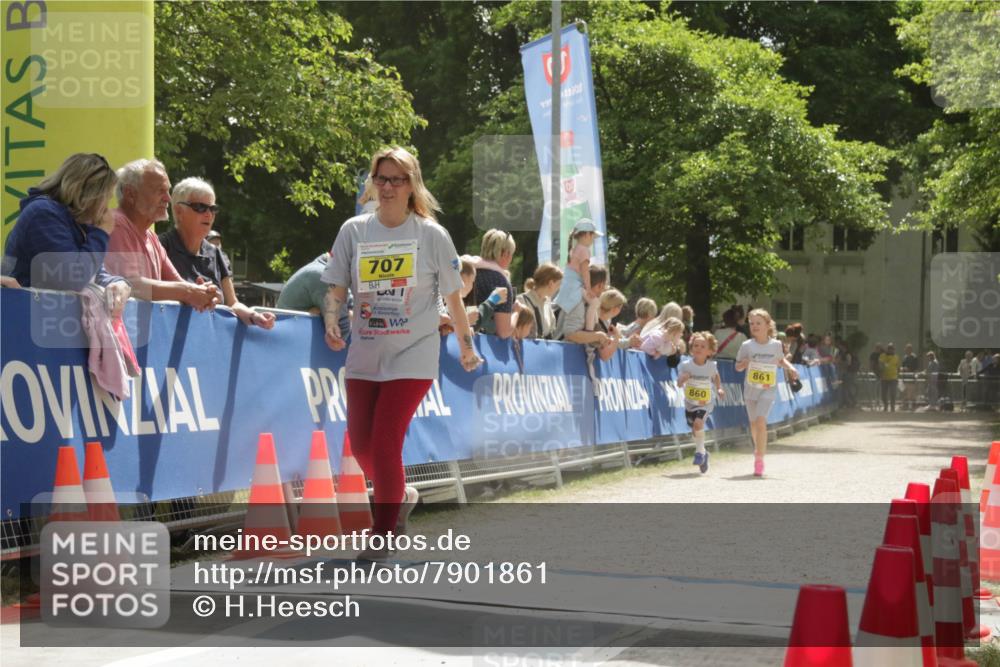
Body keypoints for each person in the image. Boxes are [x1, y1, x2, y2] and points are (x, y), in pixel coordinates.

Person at [321, 146, 480, 562]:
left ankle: (382, 532)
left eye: (397, 179)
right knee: (360, 446)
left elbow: (454, 298)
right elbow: (335, 288)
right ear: (372, 183)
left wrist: (466, 347)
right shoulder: (354, 231)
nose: (388, 187)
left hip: (414, 354)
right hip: (365, 353)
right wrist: (331, 320)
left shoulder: (430, 234)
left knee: (387, 441)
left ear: (413, 185)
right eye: (382, 178)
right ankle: (401, 494)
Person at [1, 153, 130, 309]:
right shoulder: (43, 214)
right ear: (91, 195)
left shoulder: (77, 223)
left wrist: (119, 284)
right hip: (21, 319)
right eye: (106, 198)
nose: (106, 207)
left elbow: (95, 275)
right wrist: (101, 233)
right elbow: (72, 280)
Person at [104, 159, 218, 310]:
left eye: (167, 191)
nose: (168, 199)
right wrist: (190, 292)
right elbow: (130, 284)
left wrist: (203, 293)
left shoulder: (151, 238)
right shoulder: (115, 224)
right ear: (130, 194)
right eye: (159, 191)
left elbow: (178, 283)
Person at [160, 177, 274, 329]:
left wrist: (254, 316)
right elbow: (149, 297)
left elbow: (232, 303)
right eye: (200, 207)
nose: (209, 214)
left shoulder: (216, 253)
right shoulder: (160, 246)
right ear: (178, 210)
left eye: (212, 209)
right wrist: (191, 295)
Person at [734, 308, 799, 477]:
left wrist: (791, 367)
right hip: (751, 390)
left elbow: (780, 360)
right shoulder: (747, 345)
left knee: (761, 421)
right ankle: (758, 449)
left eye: (758, 323)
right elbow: (737, 367)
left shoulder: (776, 345)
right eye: (752, 323)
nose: (754, 326)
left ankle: (759, 459)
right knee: (754, 424)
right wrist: (746, 362)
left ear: (767, 325)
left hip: (768, 389)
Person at [677, 331, 725, 474]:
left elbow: (716, 376)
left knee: (699, 423)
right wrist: (683, 378)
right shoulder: (686, 365)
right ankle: (704, 452)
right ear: (691, 348)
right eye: (696, 345)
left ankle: (699, 454)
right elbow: (679, 383)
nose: (698, 348)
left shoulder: (711, 366)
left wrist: (719, 388)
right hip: (690, 403)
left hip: (706, 402)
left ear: (710, 351)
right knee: (695, 429)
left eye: (703, 346)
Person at [277, 251, 351, 336]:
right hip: (297, 341)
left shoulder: (330, 272)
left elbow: (354, 309)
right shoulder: (324, 276)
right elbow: (341, 332)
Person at [553, 218, 601, 331]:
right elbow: (585, 272)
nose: (593, 240)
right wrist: (589, 289)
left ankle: (592, 327)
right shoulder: (584, 250)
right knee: (594, 303)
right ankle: (590, 331)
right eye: (592, 237)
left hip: (569, 284)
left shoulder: (575, 249)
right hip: (574, 285)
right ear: (586, 235)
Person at [471, 229, 516, 338]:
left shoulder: (468, 271)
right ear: (505, 254)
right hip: (484, 346)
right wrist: (517, 313)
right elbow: (503, 332)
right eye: (511, 254)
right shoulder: (501, 282)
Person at [555, 264, 611, 347]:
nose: (602, 290)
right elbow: (571, 334)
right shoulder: (577, 301)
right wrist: (598, 336)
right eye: (601, 286)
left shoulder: (588, 301)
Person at [515, 263, 562, 340]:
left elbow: (551, 330)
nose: (558, 288)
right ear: (550, 283)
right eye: (558, 285)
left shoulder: (547, 304)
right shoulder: (520, 301)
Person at [878, 343, 901, 412]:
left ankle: (892, 407)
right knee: (883, 394)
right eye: (889, 349)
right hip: (884, 378)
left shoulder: (896, 357)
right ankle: (885, 406)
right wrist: (881, 371)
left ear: (894, 350)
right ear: (887, 349)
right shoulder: (882, 356)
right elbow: (880, 364)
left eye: (892, 349)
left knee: (893, 393)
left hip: (893, 378)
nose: (891, 350)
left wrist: (898, 375)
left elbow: (898, 367)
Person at [900, 343, 919, 410]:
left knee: (912, 393)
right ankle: (905, 406)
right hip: (905, 378)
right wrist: (902, 369)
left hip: (911, 378)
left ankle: (913, 406)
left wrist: (909, 370)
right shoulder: (905, 357)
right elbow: (902, 366)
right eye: (906, 349)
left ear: (911, 349)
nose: (907, 350)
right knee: (905, 392)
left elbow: (915, 367)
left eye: (909, 349)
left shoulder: (914, 357)